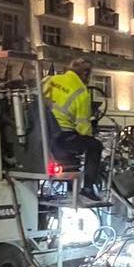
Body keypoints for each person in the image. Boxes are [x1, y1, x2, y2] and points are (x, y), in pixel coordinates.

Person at [43, 58, 104, 202]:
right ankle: (88, 188)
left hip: (41, 134)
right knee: (95, 146)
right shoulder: (81, 93)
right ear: (84, 74)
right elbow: (83, 128)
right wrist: (91, 135)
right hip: (61, 138)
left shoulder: (48, 79)